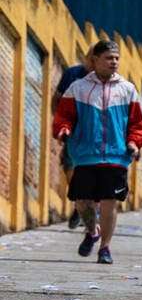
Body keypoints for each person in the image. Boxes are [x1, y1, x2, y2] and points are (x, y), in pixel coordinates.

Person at [52, 40, 142, 264]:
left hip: (116, 156)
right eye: (108, 58)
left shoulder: (128, 89)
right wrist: (63, 129)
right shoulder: (78, 88)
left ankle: (105, 248)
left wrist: (134, 142)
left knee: (109, 201)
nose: (114, 62)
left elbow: (136, 124)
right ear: (95, 60)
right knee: (82, 202)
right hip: (84, 154)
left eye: (116, 58)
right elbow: (64, 116)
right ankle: (92, 231)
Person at [51, 48, 94, 229]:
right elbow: (57, 98)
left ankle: (84, 210)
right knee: (70, 170)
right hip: (72, 131)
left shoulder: (107, 79)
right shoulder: (72, 74)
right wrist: (60, 123)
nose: (92, 62)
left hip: (94, 134)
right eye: (91, 58)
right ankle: (79, 202)